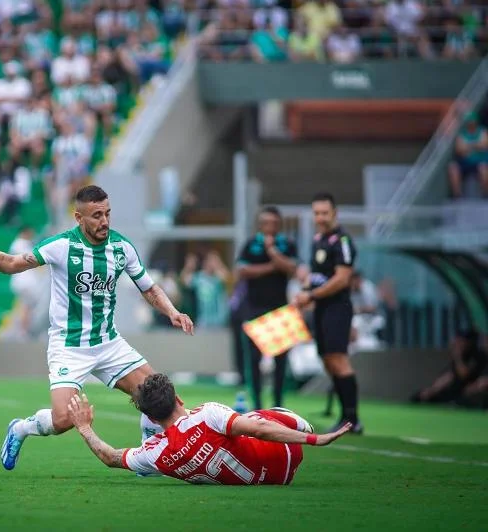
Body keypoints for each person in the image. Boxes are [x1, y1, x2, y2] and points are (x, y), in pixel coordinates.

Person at [0, 185, 194, 471]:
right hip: (69, 346)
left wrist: (172, 312)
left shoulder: (121, 248)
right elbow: (11, 263)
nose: (105, 221)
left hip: (108, 343)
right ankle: (21, 428)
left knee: (163, 398)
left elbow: (148, 288)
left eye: (107, 213)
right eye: (96, 215)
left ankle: (148, 447)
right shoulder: (61, 247)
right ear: (78, 218)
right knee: (63, 420)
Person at [66, 373, 352, 484]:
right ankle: (303, 424)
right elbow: (259, 430)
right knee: (249, 419)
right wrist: (314, 438)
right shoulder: (207, 414)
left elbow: (110, 457)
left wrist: (84, 427)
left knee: (239, 423)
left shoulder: (156, 454)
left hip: (273, 480)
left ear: (152, 420)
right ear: (178, 398)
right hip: (287, 456)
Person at [292, 192, 362, 434]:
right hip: (321, 308)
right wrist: (304, 291)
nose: (320, 217)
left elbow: (342, 279)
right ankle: (345, 416)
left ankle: (352, 418)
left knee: (338, 359)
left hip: (337, 308)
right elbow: (316, 276)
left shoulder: (342, 241)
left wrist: (310, 295)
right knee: (327, 359)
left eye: (324, 213)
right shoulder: (318, 239)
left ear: (334, 213)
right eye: (316, 213)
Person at [236, 206, 297, 409]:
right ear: (259, 224)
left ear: (279, 224)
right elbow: (242, 270)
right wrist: (273, 267)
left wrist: (272, 251)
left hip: (280, 309)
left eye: (273, 223)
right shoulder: (251, 244)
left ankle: (279, 404)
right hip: (254, 308)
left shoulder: (286, 244)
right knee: (254, 359)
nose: (269, 226)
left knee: (281, 361)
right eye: (265, 223)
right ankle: (258, 405)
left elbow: (292, 268)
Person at [411, 328, 487, 404]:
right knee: (418, 397)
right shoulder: (462, 356)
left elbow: (464, 374)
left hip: (463, 391)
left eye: (462, 340)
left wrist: (457, 356)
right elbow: (449, 376)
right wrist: (432, 389)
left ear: (469, 342)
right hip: (451, 389)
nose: (458, 342)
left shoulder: (477, 356)